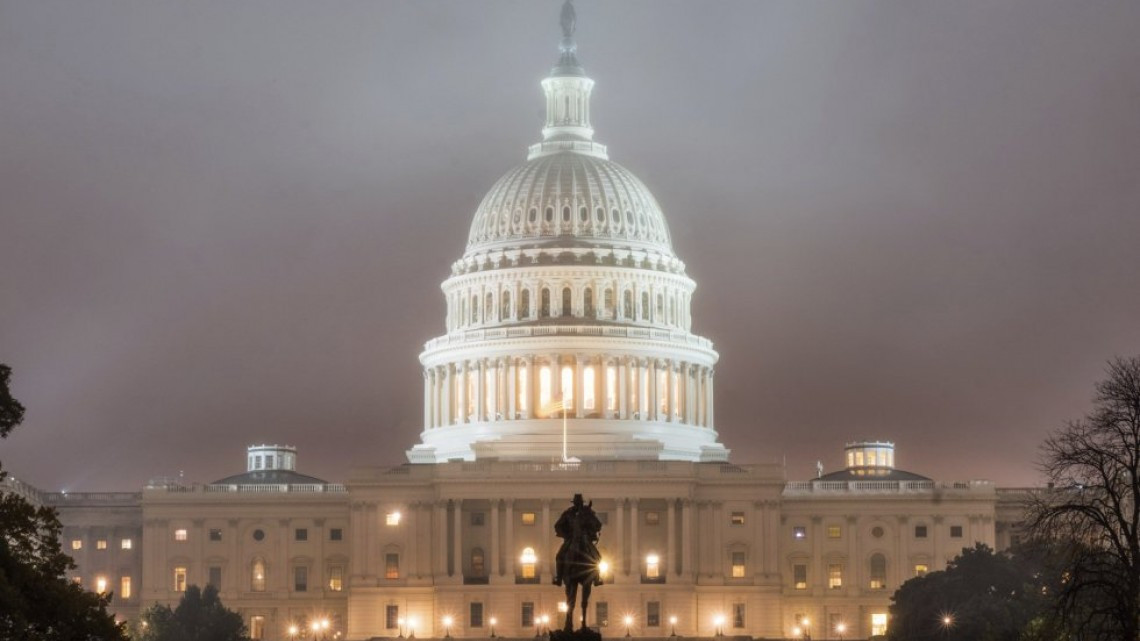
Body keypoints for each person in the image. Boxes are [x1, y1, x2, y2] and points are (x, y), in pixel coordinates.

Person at [552, 493, 603, 587]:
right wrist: (565, 534)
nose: (578, 505)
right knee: (559, 555)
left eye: (579, 503)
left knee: (597, 556)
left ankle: (597, 578)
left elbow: (598, 524)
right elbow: (557, 525)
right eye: (576, 503)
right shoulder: (568, 513)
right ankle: (558, 578)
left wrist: (592, 531)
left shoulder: (587, 512)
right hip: (571, 539)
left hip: (585, 539)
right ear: (574, 503)